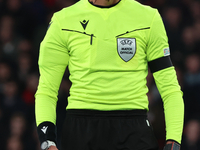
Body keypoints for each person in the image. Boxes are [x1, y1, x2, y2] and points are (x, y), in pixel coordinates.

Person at [35, 0, 184, 150]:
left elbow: (170, 89)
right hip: (81, 127)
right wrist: (48, 142)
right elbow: (47, 90)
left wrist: (174, 141)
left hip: (133, 126)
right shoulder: (63, 21)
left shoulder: (148, 18)